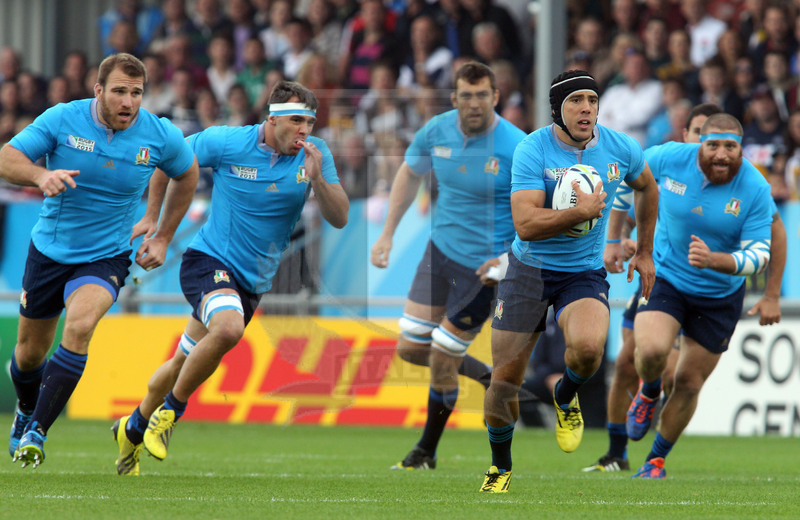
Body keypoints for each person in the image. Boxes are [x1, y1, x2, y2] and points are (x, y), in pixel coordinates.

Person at [112, 81, 348, 474]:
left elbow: (339, 218)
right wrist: (157, 224)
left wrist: (319, 180)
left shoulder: (315, 154)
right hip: (209, 259)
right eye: (296, 120)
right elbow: (168, 160)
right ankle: (169, 414)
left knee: (178, 364)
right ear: (272, 118)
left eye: (310, 121)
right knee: (228, 329)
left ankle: (131, 430)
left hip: (252, 281)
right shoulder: (226, 142)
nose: (305, 130)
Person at [0, 53, 199, 468]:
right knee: (29, 356)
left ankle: (36, 430)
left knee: (81, 325)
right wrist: (40, 176)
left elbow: (187, 173)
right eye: (120, 92)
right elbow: (6, 157)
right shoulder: (62, 119)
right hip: (50, 253)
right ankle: (25, 407)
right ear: (99, 91)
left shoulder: (159, 134)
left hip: (106, 256)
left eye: (136, 93)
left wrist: (161, 233)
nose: (129, 102)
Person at [479, 69, 659, 493]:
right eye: (576, 100)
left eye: (592, 100)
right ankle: (500, 468)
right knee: (504, 382)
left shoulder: (620, 148)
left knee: (588, 351)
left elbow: (647, 188)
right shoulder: (532, 149)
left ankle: (565, 395)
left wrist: (643, 248)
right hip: (528, 272)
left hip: (581, 272)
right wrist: (579, 213)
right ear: (557, 109)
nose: (586, 109)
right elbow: (524, 224)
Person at [584, 102, 787, 473]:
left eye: (731, 147)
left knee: (690, 382)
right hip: (668, 277)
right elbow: (627, 183)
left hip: (720, 295)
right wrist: (614, 239)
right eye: (714, 146)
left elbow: (760, 252)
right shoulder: (668, 158)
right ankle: (648, 391)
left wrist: (718, 262)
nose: (722, 155)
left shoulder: (756, 187)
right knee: (650, 350)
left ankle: (656, 459)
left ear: (742, 149)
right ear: (700, 145)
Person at [370, 62, 526, 471]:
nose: (474, 104)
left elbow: (537, 210)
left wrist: (510, 259)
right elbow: (408, 173)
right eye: (466, 96)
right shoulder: (436, 130)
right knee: (409, 349)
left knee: (441, 354)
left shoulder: (517, 147)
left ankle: (425, 451)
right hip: (439, 256)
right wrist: (387, 233)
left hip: (486, 270)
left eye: (482, 95)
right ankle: (487, 376)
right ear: (454, 99)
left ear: (496, 97)